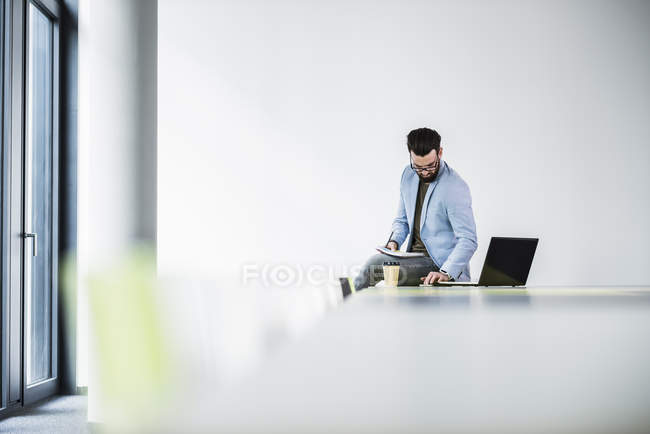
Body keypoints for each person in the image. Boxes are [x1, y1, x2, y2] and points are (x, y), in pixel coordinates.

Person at [353, 127, 478, 290]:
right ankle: (345, 305)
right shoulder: (408, 175)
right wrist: (394, 241)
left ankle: (343, 304)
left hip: (439, 264)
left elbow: (468, 239)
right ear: (410, 155)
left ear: (440, 153)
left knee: (374, 265)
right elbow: (402, 220)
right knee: (375, 269)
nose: (424, 172)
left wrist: (446, 272)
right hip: (412, 259)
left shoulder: (454, 187)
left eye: (430, 166)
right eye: (418, 167)